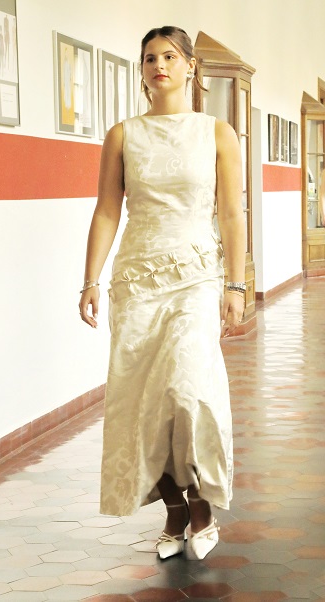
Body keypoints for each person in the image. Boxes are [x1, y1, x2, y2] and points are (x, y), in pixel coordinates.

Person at [79, 25, 245, 561]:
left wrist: (235, 283)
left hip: (195, 276)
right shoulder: (122, 135)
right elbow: (108, 210)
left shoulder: (217, 133)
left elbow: (232, 213)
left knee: (187, 390)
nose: (159, 66)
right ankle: (173, 509)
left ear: (191, 66)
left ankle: (202, 504)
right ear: (143, 70)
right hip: (136, 281)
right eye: (150, 58)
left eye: (170, 56)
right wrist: (90, 280)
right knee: (144, 403)